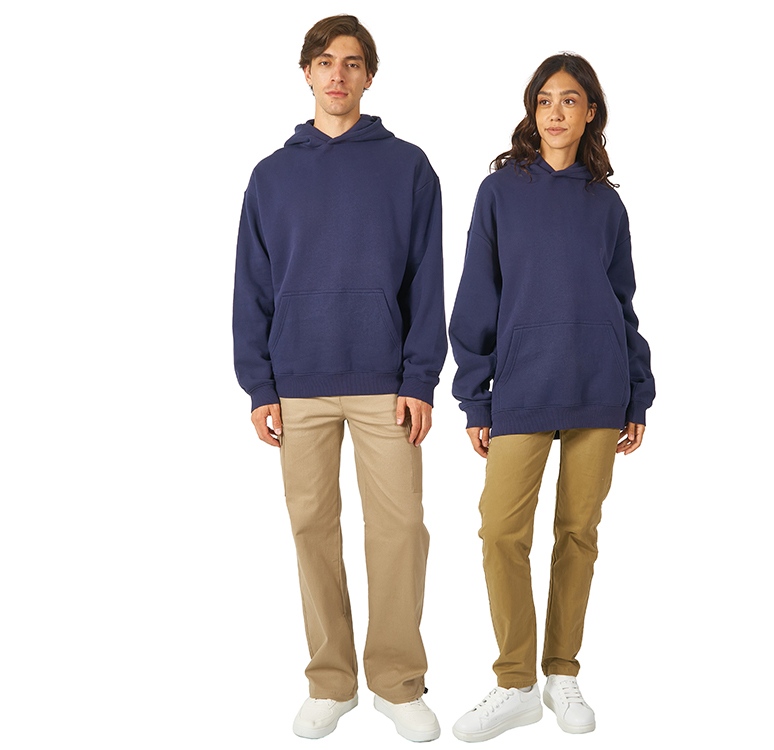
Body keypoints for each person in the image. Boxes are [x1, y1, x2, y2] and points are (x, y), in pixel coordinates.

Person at [232, 15, 446, 743]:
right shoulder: (271, 176)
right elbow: (252, 286)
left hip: (387, 382)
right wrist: (260, 386)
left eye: (352, 63)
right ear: (306, 73)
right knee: (312, 531)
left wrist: (420, 378)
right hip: (298, 382)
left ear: (369, 76)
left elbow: (427, 280)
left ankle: (397, 682)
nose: (338, 75)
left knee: (400, 532)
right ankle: (331, 682)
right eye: (325, 62)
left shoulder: (408, 167)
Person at [448, 52, 656, 742]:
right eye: (544, 100)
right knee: (501, 533)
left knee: (577, 534)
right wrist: (476, 396)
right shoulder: (500, 193)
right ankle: (515, 683)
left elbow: (622, 303)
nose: (556, 112)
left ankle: (561, 672)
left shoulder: (607, 204)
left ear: (590, 112)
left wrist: (637, 392)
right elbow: (477, 295)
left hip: (598, 387)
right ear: (531, 111)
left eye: (569, 100)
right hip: (523, 387)